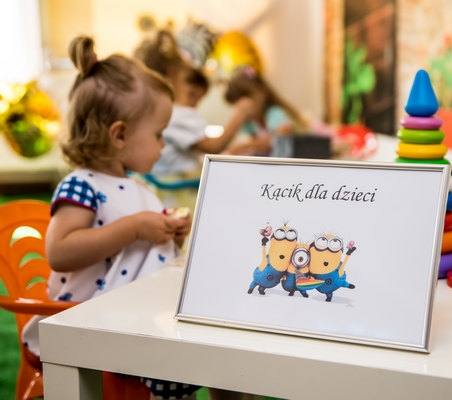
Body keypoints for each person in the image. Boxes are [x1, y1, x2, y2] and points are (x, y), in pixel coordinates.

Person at [21, 35, 200, 400]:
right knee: (179, 369)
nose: (163, 145)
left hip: (133, 316)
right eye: (159, 134)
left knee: (199, 355)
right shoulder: (81, 185)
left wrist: (170, 233)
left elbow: (140, 254)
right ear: (119, 135)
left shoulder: (139, 187)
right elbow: (60, 251)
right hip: (88, 322)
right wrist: (134, 228)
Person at [134, 30, 252, 174]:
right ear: (171, 73)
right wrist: (241, 113)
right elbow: (213, 147)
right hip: (179, 182)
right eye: (186, 71)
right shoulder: (176, 114)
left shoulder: (159, 111)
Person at [223, 65, 311, 156]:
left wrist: (245, 146)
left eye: (244, 100)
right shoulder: (249, 123)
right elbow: (258, 148)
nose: (241, 107)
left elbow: (281, 140)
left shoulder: (275, 113)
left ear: (262, 91)